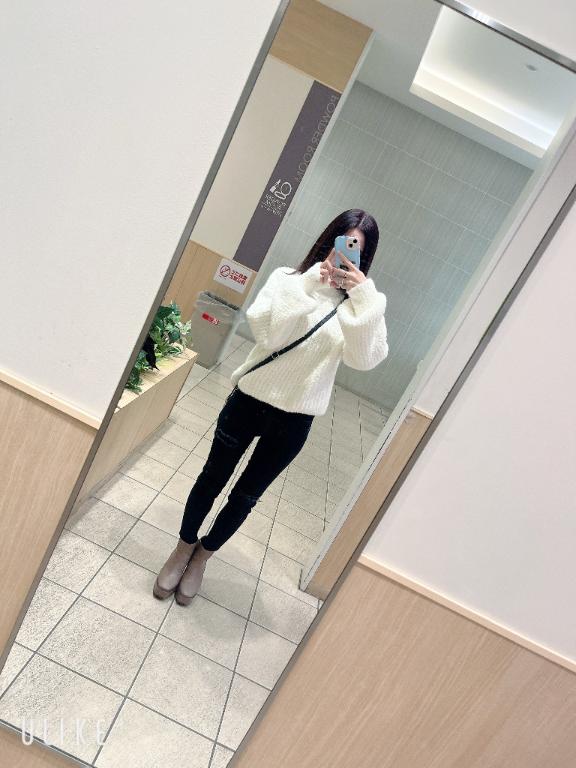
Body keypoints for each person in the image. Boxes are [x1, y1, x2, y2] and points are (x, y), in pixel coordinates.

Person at [153, 209, 389, 606]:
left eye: (357, 253)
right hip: (249, 402)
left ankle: (202, 558)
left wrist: (363, 296)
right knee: (212, 478)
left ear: (365, 260)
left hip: (294, 421)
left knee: (245, 496)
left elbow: (364, 360)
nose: (346, 257)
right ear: (328, 242)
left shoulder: (360, 309)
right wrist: (311, 283)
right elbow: (267, 333)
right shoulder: (288, 280)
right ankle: (182, 549)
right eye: (343, 245)